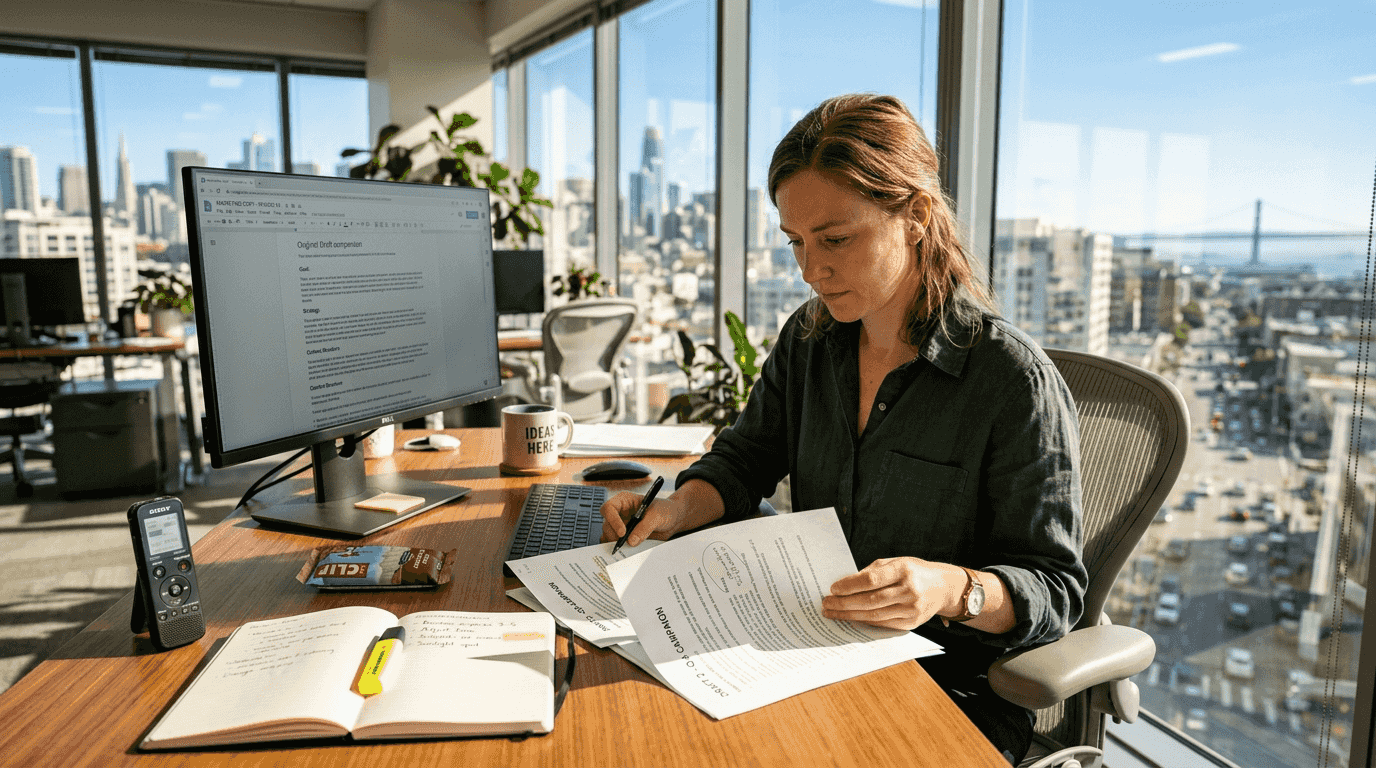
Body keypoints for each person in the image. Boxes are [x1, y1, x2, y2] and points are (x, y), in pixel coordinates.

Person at [601, 93, 1086, 763]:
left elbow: (1055, 590)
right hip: (803, 655)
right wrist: (676, 508)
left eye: (834, 239)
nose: (810, 269)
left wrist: (948, 588)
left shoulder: (1010, 382)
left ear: (915, 216)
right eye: (795, 242)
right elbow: (745, 460)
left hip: (946, 693)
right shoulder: (810, 340)